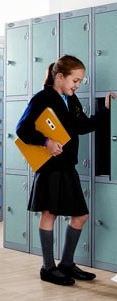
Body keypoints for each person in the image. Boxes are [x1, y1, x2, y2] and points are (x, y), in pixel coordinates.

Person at [16, 55, 115, 286]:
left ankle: (66, 264)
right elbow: (22, 129)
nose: (77, 85)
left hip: (67, 166)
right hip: (50, 167)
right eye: (75, 80)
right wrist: (46, 142)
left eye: (80, 81)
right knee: (49, 214)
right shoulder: (42, 98)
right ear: (60, 77)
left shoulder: (71, 100)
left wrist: (106, 111)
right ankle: (48, 268)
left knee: (81, 215)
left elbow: (81, 126)